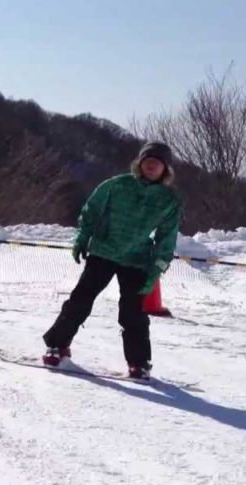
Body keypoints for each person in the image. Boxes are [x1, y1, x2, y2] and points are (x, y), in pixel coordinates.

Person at [42, 141, 182, 380]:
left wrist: (157, 269)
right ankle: (57, 346)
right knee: (80, 300)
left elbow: (167, 237)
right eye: (147, 161)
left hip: (137, 259)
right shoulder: (116, 185)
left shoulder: (169, 199)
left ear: (165, 169)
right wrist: (82, 237)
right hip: (103, 251)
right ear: (139, 163)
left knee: (133, 313)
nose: (151, 166)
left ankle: (139, 363)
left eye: (157, 163)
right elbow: (91, 210)